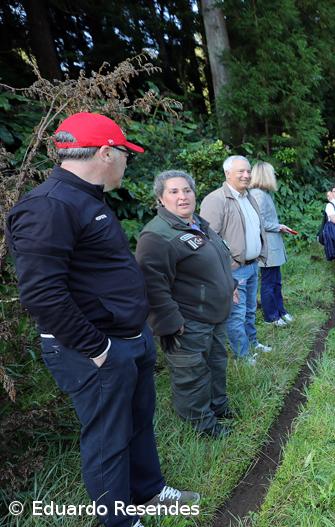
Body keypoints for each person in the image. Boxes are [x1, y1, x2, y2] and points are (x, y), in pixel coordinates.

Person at [6, 113, 198, 527]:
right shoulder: (48, 206)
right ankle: (120, 520)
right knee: (108, 438)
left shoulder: (88, 199)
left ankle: (147, 492)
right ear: (107, 153)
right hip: (94, 348)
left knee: (138, 421)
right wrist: (98, 349)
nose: (127, 163)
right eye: (125, 154)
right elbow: (42, 294)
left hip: (130, 337)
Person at [136, 170, 236, 439]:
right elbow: (151, 286)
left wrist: (230, 288)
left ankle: (218, 409)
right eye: (174, 192)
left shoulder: (198, 224)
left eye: (187, 190)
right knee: (192, 375)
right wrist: (172, 324)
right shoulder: (157, 236)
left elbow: (215, 260)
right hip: (187, 322)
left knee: (215, 364)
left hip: (213, 316)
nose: (183, 197)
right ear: (161, 199)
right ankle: (201, 426)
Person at [200, 155, 271, 364]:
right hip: (233, 270)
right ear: (227, 173)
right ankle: (243, 355)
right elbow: (209, 240)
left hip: (251, 265)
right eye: (241, 171)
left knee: (249, 310)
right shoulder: (216, 200)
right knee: (236, 315)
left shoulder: (248, 197)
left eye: (248, 171)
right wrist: (223, 273)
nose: (246, 175)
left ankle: (253, 343)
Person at [249, 162, 294, 327]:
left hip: (272, 245)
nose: (274, 176)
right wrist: (278, 227)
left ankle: (280, 310)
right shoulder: (258, 194)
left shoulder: (264, 193)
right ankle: (271, 317)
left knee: (276, 281)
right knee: (269, 282)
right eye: (272, 173)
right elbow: (259, 222)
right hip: (267, 247)